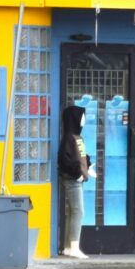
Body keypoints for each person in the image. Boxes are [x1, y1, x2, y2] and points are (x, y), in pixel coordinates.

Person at [57, 104, 95, 259]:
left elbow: (81, 155)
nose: (83, 120)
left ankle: (67, 247)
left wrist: (89, 166)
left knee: (73, 211)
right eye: (81, 116)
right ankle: (74, 246)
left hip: (76, 178)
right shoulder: (68, 138)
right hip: (72, 179)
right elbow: (64, 160)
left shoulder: (77, 137)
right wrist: (77, 173)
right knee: (79, 211)